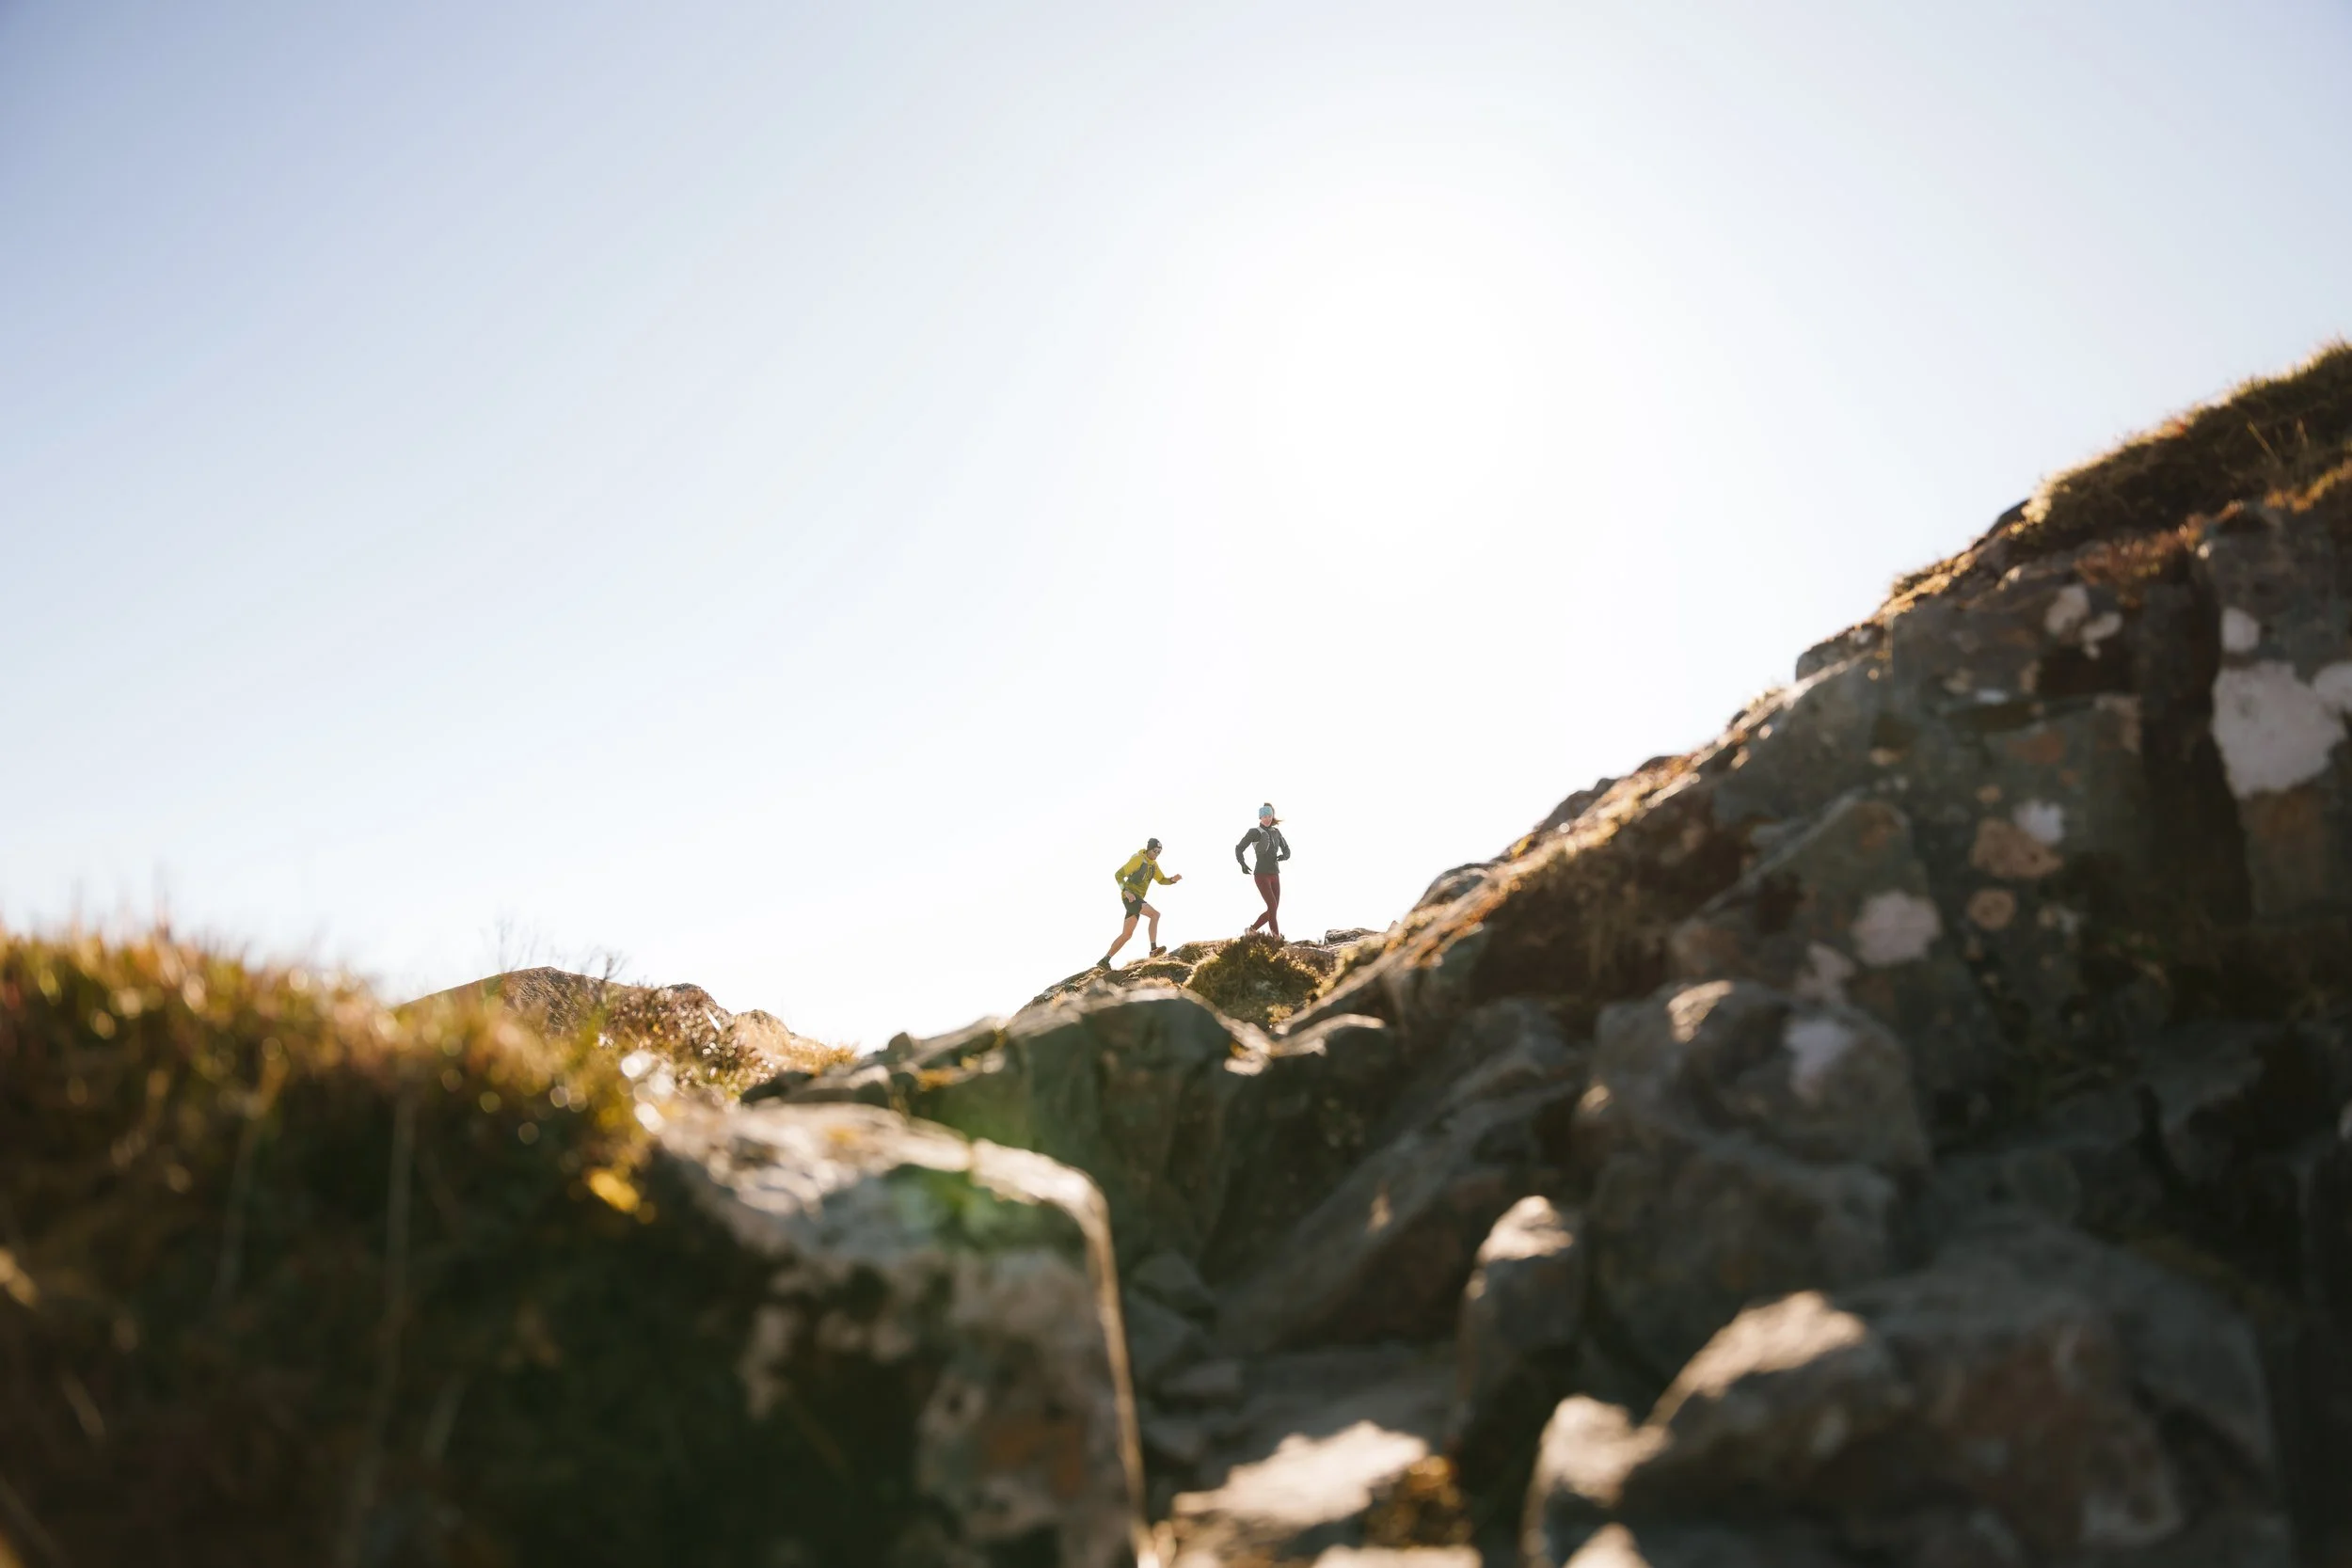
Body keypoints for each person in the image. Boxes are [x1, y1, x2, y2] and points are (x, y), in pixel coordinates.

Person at [1104, 838, 1182, 966]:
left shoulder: (1153, 865)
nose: (1157, 854)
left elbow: (1161, 880)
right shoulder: (1138, 859)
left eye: (1159, 852)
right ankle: (1153, 949)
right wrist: (1126, 892)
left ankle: (1105, 960)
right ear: (1149, 849)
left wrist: (1172, 880)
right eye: (1155, 851)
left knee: (1127, 934)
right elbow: (1118, 874)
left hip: (1137, 899)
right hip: (1130, 897)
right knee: (1155, 915)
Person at [1234, 802, 1290, 942]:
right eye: (1264, 816)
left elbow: (1286, 848)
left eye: (1269, 816)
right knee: (1272, 906)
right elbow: (1239, 848)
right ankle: (1277, 940)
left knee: (1274, 909)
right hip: (1261, 875)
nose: (1267, 819)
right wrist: (1242, 863)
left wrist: (1285, 856)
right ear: (1260, 817)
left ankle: (1252, 930)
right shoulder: (1255, 832)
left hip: (1275, 874)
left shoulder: (1276, 832)